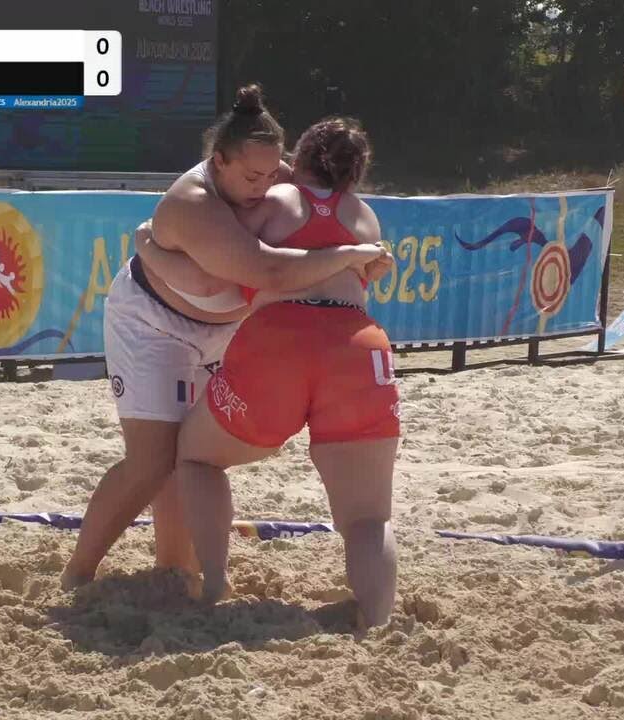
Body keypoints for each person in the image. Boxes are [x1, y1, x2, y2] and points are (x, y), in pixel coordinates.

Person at [60, 86, 390, 589]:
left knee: (189, 451)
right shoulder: (193, 202)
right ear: (218, 162)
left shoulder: (275, 180)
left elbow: (296, 251)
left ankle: (177, 571)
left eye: (274, 171)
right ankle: (77, 573)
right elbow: (247, 274)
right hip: (154, 320)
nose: (266, 184)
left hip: (228, 328)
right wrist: (349, 255)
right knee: (153, 461)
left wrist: (361, 260)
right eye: (252, 176)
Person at [143, 117, 400, 628]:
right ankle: (378, 622)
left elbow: (218, 270)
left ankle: (215, 581)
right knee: (369, 518)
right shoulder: (366, 219)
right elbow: (368, 274)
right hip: (357, 346)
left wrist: (148, 248)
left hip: (279, 338)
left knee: (196, 459)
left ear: (296, 160)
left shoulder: (273, 203)